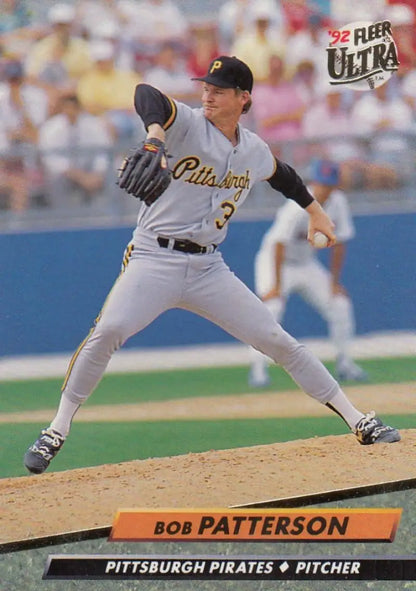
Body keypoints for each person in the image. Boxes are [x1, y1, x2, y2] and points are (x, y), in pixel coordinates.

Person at [24, 55, 400, 475]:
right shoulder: (185, 123)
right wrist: (154, 135)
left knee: (277, 340)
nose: (207, 95)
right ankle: (56, 429)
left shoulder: (253, 149)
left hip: (208, 268)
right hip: (154, 257)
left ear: (244, 99)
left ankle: (359, 420)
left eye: (218, 90)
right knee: (108, 330)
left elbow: (283, 175)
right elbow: (145, 94)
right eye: (205, 87)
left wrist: (314, 209)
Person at [248, 158, 368, 388]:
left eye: (329, 184)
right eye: (321, 183)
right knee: (270, 309)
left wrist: (334, 282)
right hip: (276, 262)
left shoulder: (338, 202)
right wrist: (276, 286)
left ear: (335, 185)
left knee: (340, 304)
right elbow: (278, 244)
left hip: (305, 263)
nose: (324, 188)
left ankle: (345, 364)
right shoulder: (297, 204)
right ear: (314, 182)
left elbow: (340, 242)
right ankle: (258, 371)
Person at [38, 93, 112, 208]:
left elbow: (103, 151)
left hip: (91, 171)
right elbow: (51, 160)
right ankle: (62, 217)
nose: (70, 112)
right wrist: (79, 176)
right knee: (56, 181)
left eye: (73, 108)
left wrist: (98, 173)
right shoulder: (50, 129)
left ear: (79, 109)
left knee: (113, 175)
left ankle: (107, 217)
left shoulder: (94, 125)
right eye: (67, 108)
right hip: (65, 174)